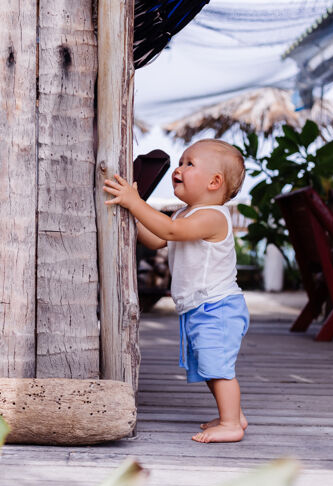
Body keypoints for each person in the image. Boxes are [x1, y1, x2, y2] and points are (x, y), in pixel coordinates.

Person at [103, 138, 250, 443]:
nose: (179, 169)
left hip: (217, 307)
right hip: (200, 306)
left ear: (214, 182)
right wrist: (133, 213)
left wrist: (135, 202)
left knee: (218, 366)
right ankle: (232, 413)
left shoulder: (212, 216)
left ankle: (232, 424)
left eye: (189, 164)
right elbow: (158, 239)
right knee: (210, 365)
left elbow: (169, 232)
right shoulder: (186, 214)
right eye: (181, 162)